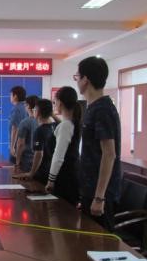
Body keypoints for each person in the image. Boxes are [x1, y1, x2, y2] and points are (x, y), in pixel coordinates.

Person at [75, 56, 121, 231]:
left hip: (100, 192)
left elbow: (109, 154)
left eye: (77, 76)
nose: (77, 81)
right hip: (90, 188)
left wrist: (99, 197)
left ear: (85, 79)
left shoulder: (102, 109)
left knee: (100, 242)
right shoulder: (92, 107)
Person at [44, 86, 82, 206]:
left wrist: (51, 180)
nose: (54, 105)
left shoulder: (65, 126)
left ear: (60, 102)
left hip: (64, 178)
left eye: (54, 102)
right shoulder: (71, 123)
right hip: (71, 174)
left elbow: (58, 156)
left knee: (61, 212)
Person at [14, 99, 58, 184]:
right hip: (52, 169)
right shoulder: (55, 126)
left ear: (38, 112)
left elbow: (39, 154)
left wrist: (31, 173)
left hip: (42, 171)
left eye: (35, 109)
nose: (33, 111)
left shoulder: (39, 131)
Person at [15, 95, 38, 173]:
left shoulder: (25, 122)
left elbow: (20, 144)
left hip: (27, 162)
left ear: (28, 106)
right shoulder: (42, 121)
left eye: (25, 105)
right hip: (40, 161)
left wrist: (17, 163)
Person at [8, 86, 27, 164]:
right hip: (25, 143)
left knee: (15, 167)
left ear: (15, 96)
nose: (10, 97)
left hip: (17, 144)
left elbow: (15, 128)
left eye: (11, 95)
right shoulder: (26, 107)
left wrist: (12, 146)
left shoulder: (16, 109)